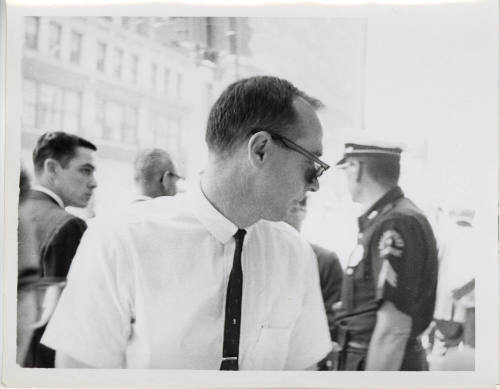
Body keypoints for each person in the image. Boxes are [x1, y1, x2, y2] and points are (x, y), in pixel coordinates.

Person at [42, 76, 332, 370]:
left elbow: (302, 373)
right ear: (260, 150)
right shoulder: (119, 240)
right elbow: (78, 375)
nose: (315, 185)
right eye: (313, 164)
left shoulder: (295, 253)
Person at [333, 140, 438, 371]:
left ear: (357, 168)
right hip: (369, 356)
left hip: (377, 361)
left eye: (346, 169)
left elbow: (393, 329)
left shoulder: (394, 222)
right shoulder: (391, 217)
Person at [20, 131, 98, 368]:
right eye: (85, 170)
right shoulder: (68, 226)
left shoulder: (17, 213)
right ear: (52, 169)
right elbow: (70, 325)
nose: (94, 182)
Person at [284, 196, 343, 370]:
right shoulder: (262, 256)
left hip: (310, 360)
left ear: (303, 213)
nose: (283, 216)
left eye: (293, 208)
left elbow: (334, 318)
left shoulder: (325, 260)